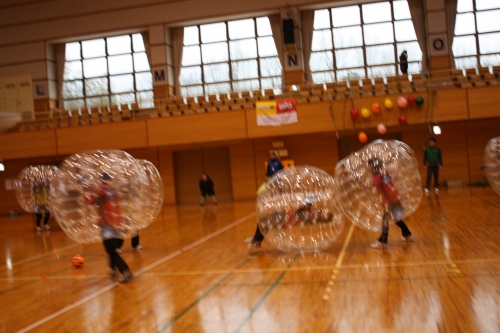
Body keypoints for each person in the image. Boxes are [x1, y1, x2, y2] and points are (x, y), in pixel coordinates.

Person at [86, 172, 133, 283]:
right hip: (116, 223)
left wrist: (86, 188)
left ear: (101, 180)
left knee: (111, 251)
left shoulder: (102, 191)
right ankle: (113, 269)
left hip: (107, 225)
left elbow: (90, 201)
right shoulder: (113, 190)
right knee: (112, 248)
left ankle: (126, 271)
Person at [368, 158, 415, 249]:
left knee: (385, 220)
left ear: (373, 166)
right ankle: (407, 234)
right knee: (396, 219)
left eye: (370, 166)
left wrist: (364, 181)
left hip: (389, 201)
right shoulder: (384, 172)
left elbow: (374, 184)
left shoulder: (378, 175)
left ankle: (383, 241)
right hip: (395, 199)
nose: (369, 168)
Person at [246, 152, 284, 250]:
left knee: (264, 225)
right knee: (263, 225)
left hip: (272, 213)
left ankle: (255, 240)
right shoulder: (265, 188)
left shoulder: (278, 187)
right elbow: (262, 198)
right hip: (267, 212)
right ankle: (255, 240)